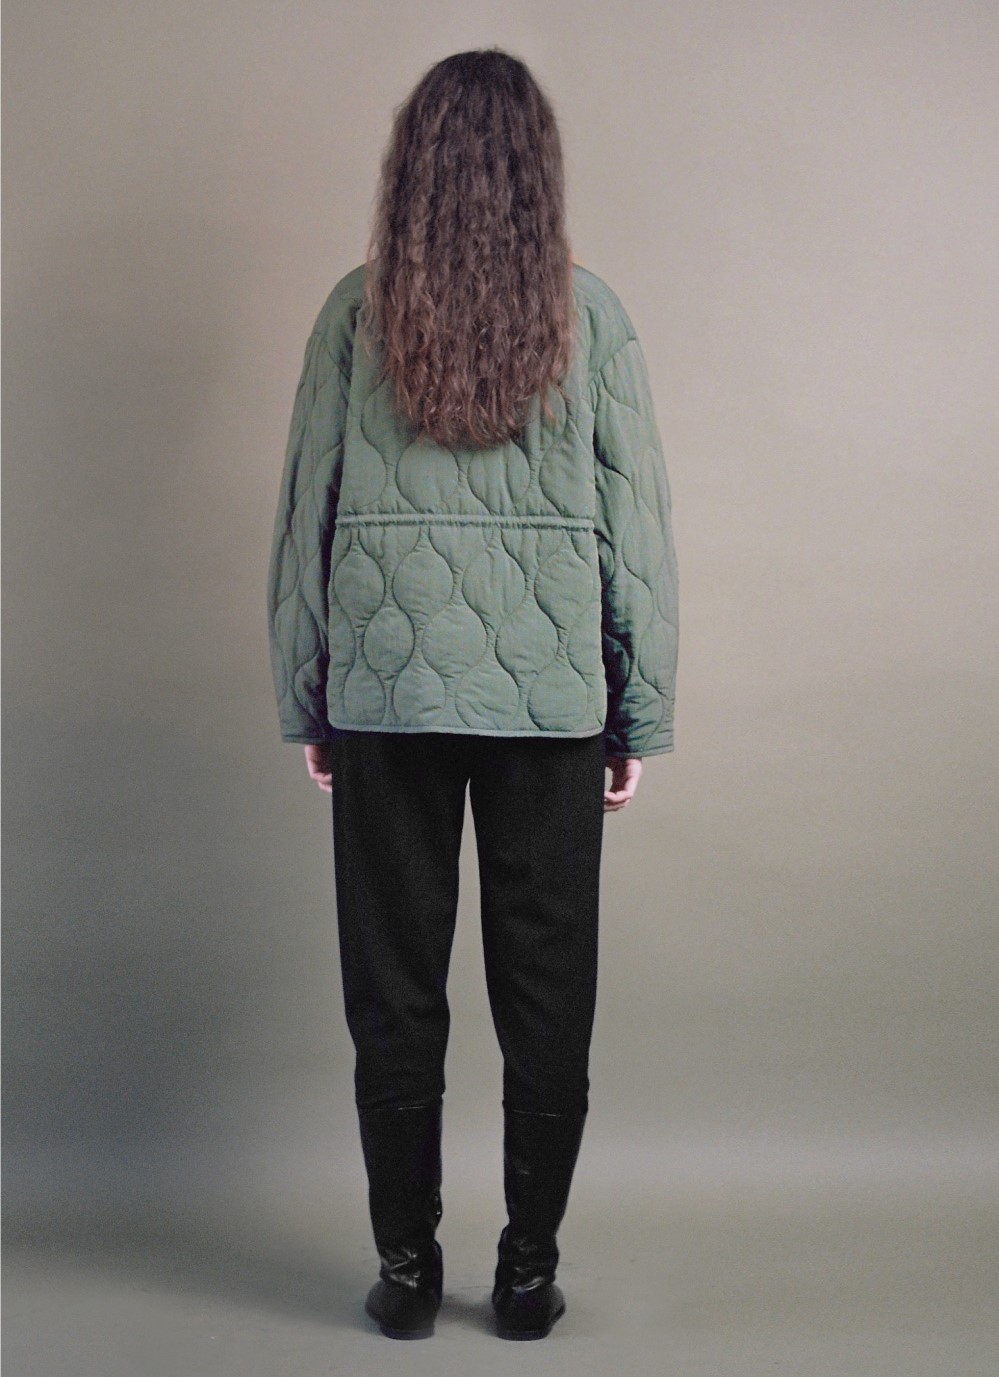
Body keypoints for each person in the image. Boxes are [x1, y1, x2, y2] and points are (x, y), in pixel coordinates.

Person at [266, 47, 679, 1342]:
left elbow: (305, 512)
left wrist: (311, 694)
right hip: (550, 705)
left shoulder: (355, 313)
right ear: (536, 174)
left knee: (394, 992)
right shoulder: (591, 316)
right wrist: (637, 710)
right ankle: (527, 1273)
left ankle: (404, 1273)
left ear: (412, 172)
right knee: (547, 994)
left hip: (386, 693)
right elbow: (639, 535)